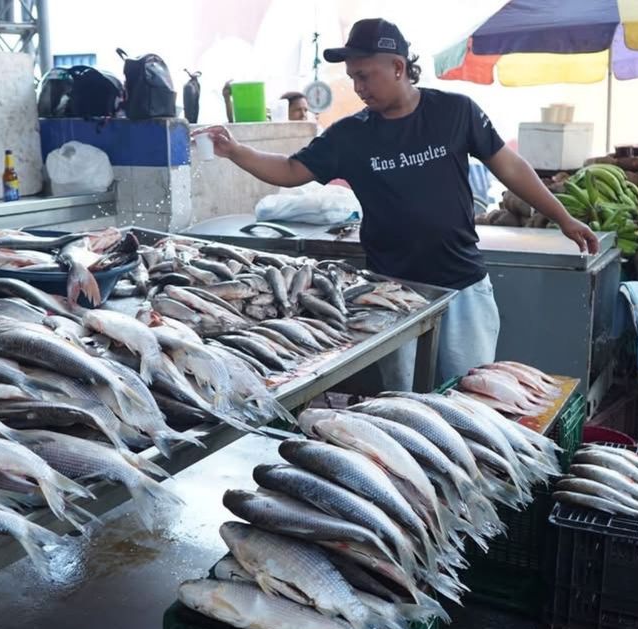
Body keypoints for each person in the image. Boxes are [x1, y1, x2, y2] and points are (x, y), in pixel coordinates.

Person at [194, 18, 598, 390]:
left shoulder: (455, 112)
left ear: (398, 67)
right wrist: (236, 151)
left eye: (365, 75)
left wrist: (563, 218)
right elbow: (290, 170)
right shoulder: (350, 135)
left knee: (470, 398)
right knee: (403, 404)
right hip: (388, 294)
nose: (358, 88)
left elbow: (509, 165)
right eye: (353, 77)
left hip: (463, 285)